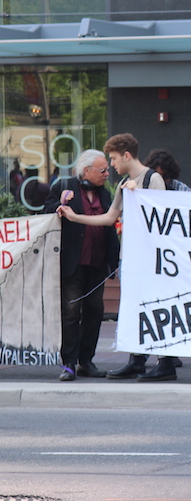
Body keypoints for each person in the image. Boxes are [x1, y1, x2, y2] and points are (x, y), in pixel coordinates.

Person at [57, 133, 176, 381]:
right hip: (132, 256)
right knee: (134, 307)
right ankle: (137, 360)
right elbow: (110, 218)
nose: (111, 165)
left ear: (126, 155)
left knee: (156, 304)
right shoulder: (124, 184)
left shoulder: (152, 180)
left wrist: (140, 197)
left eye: (113, 159)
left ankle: (165, 362)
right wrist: (75, 217)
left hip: (151, 257)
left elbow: (162, 218)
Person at [43, 150, 119, 381]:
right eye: (102, 170)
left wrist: (113, 260)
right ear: (86, 170)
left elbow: (110, 224)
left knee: (95, 311)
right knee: (71, 312)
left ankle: (86, 360)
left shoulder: (105, 194)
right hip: (72, 263)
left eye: (107, 169)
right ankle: (69, 363)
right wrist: (60, 204)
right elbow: (45, 213)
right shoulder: (64, 186)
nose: (107, 174)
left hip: (97, 262)